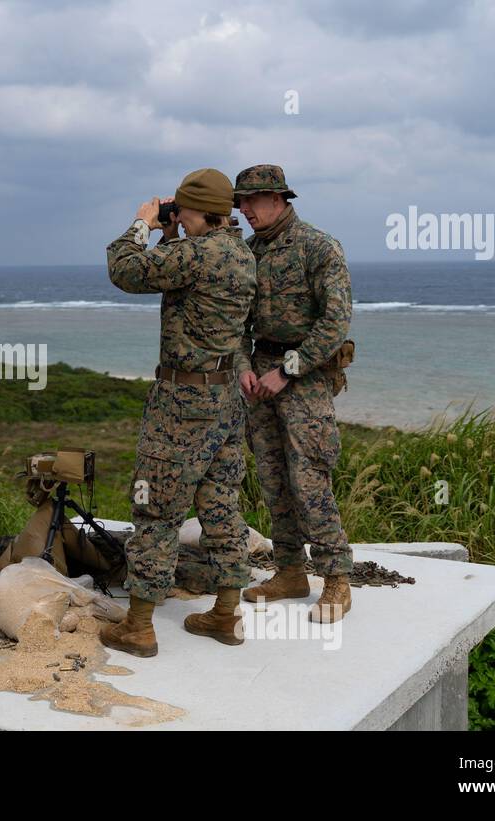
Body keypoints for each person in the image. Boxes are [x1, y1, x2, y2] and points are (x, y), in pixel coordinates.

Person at [100, 168, 257, 657]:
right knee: (221, 504)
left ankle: (140, 626)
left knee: (157, 509)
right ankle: (226, 614)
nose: (178, 219)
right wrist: (174, 233)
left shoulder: (193, 254)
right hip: (227, 402)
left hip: (181, 405)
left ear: (199, 211)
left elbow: (124, 270)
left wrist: (142, 224)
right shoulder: (241, 253)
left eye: (183, 212)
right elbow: (183, 268)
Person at [233, 164, 354, 623]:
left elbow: (335, 322)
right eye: (240, 203)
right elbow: (236, 323)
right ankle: (289, 571)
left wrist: (288, 370)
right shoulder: (246, 254)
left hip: (305, 377)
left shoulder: (317, 247)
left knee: (309, 478)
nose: (244, 210)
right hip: (259, 376)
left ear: (279, 198)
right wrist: (244, 366)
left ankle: (337, 579)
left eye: (251, 201)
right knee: (272, 476)